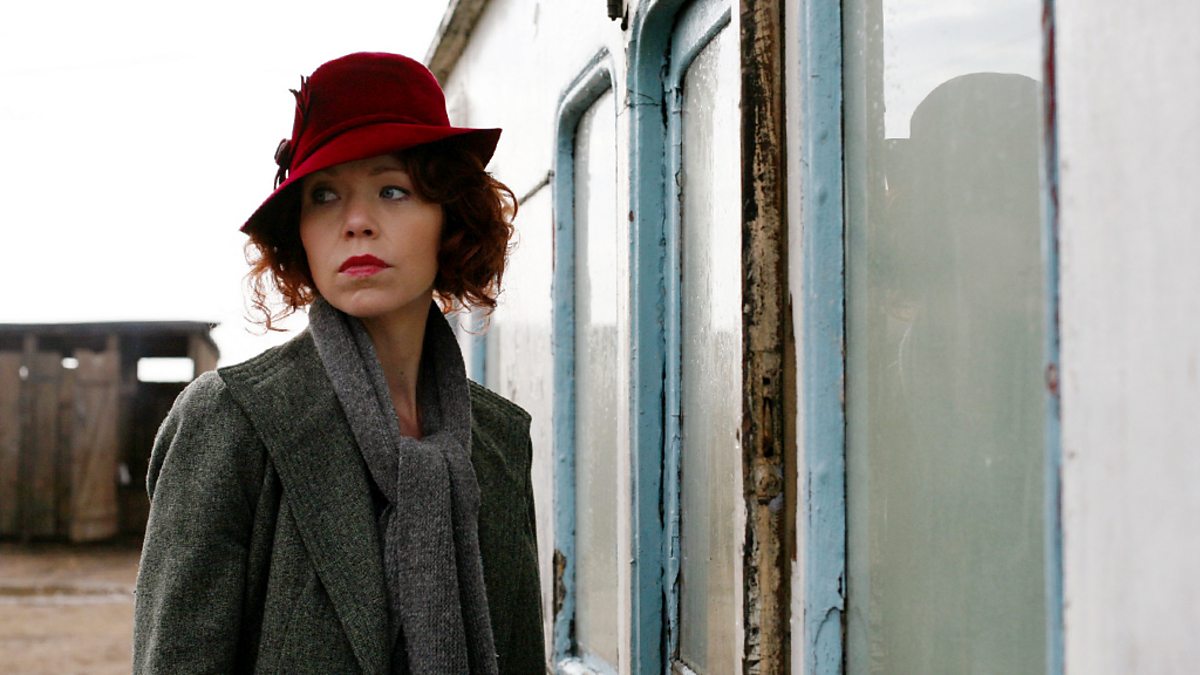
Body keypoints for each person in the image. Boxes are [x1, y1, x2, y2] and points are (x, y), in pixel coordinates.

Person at [132, 52, 544, 674]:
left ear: (450, 219)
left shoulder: (499, 441)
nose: (355, 223)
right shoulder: (231, 421)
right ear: (300, 233)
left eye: (392, 190)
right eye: (324, 196)